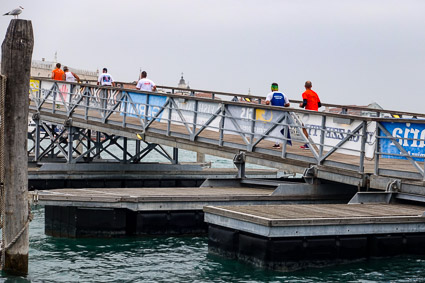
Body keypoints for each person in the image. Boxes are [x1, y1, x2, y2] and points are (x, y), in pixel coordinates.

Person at [265, 82, 291, 149]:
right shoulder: (283, 94)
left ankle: (277, 143)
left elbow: (267, 103)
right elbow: (288, 104)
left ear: (272, 88)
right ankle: (280, 142)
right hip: (282, 113)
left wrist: (268, 102)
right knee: (281, 128)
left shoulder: (270, 94)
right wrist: (283, 105)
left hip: (275, 114)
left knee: (275, 128)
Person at [299, 80, 321, 149]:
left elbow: (305, 102)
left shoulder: (305, 93)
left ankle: (307, 144)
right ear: (311, 86)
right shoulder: (315, 93)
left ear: (304, 86)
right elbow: (319, 104)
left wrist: (301, 105)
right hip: (315, 112)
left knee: (304, 127)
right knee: (313, 127)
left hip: (308, 112)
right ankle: (318, 143)